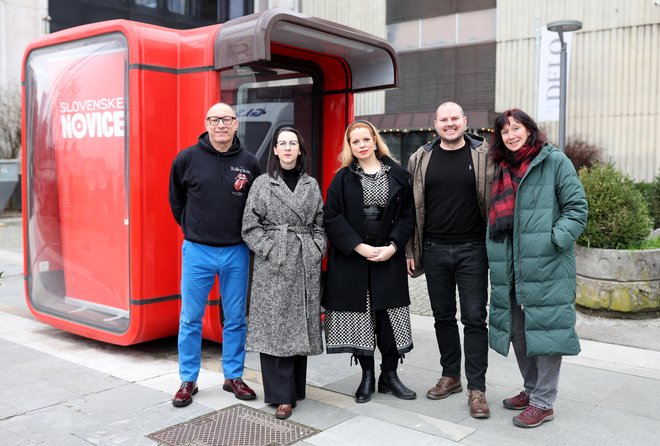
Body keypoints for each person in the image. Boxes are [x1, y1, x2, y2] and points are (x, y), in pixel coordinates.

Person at [486, 108, 587, 428]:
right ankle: (531, 390)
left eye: (516, 128)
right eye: (505, 131)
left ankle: (544, 402)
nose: (511, 135)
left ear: (530, 130)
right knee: (518, 331)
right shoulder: (500, 167)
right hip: (510, 264)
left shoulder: (553, 161)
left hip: (546, 263)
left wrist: (553, 239)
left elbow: (576, 208)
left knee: (544, 330)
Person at [168, 102, 260, 407]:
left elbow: (256, 204)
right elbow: (176, 201)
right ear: (206, 124)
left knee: (235, 319)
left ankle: (233, 375)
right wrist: (194, 228)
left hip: (236, 251)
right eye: (214, 119)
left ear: (236, 124)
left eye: (227, 119)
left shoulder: (249, 162)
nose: (221, 124)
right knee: (190, 318)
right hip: (197, 251)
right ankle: (188, 379)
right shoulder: (186, 159)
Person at [405, 101, 494, 418]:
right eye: (444, 119)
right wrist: (411, 250)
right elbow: (410, 208)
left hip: (473, 249)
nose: (450, 123)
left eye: (455, 118)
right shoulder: (421, 158)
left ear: (465, 121)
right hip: (434, 249)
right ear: (435, 124)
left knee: (474, 319)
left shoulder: (484, 156)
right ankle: (451, 375)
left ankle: (477, 389)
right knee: (442, 317)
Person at [323, 120, 416, 403]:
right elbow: (331, 217)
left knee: (389, 317)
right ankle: (367, 377)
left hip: (388, 256)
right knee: (361, 319)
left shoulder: (398, 175)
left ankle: (389, 376)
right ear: (350, 147)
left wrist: (393, 246)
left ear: (375, 141)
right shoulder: (342, 178)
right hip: (354, 258)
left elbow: (408, 216)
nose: (362, 145)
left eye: (366, 139)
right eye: (355, 141)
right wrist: (358, 246)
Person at [241, 127, 327, 420]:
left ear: (300, 150)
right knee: (275, 327)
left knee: (298, 322)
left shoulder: (311, 184)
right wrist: (272, 250)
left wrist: (316, 247)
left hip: (304, 260)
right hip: (274, 265)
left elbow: (320, 223)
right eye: (282, 144)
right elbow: (249, 227)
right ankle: (281, 396)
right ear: (275, 151)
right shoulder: (262, 184)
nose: (288, 148)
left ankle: (294, 388)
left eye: (293, 143)